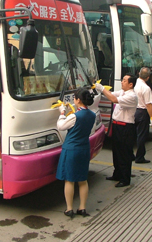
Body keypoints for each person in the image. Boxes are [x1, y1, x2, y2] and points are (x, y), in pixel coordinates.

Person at [55, 88, 96, 218]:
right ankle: (82, 207)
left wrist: (62, 112)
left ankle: (69, 208)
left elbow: (61, 126)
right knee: (83, 179)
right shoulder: (92, 115)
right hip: (84, 148)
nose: (73, 100)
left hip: (71, 149)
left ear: (78, 100)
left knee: (69, 180)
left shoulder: (74, 116)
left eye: (74, 98)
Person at [95, 74, 137, 188]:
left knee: (124, 154)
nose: (122, 82)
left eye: (124, 80)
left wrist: (102, 88)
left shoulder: (132, 96)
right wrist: (99, 89)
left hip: (126, 127)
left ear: (130, 84)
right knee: (116, 152)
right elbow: (111, 94)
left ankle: (125, 178)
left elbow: (113, 99)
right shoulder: (122, 92)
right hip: (117, 126)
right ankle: (117, 174)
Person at [134, 67, 152, 164]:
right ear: (148, 77)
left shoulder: (133, 84)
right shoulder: (146, 88)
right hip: (142, 112)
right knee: (141, 136)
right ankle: (140, 157)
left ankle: (131, 155)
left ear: (139, 74)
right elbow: (148, 105)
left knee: (133, 134)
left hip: (134, 111)